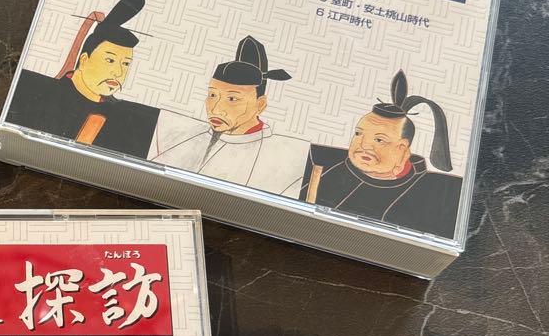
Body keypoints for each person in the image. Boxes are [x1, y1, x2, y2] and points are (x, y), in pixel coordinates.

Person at [300, 69, 462, 238]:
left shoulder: (436, 192)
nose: (364, 145)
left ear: (403, 149)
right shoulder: (322, 163)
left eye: (379, 140)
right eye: (358, 133)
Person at [3, 0, 161, 159]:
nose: (119, 72)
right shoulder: (32, 86)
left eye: (126, 63)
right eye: (110, 60)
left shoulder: (131, 119)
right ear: (84, 59)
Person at [151, 35, 308, 196]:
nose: (216, 109)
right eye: (212, 95)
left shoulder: (285, 157)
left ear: (260, 105)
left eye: (232, 99)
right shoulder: (183, 134)